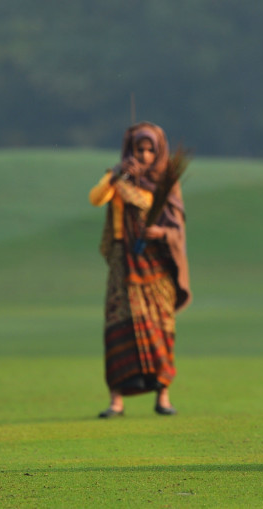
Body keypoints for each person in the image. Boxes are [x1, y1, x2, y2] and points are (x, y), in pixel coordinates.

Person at [89, 122, 191, 418]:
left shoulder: (167, 183)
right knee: (118, 323)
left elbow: (177, 226)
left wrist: (161, 234)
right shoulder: (117, 178)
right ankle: (116, 400)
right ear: (129, 150)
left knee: (160, 326)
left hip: (155, 263)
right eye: (139, 149)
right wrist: (119, 175)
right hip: (124, 262)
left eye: (150, 150)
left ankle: (163, 396)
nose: (145, 155)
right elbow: (96, 198)